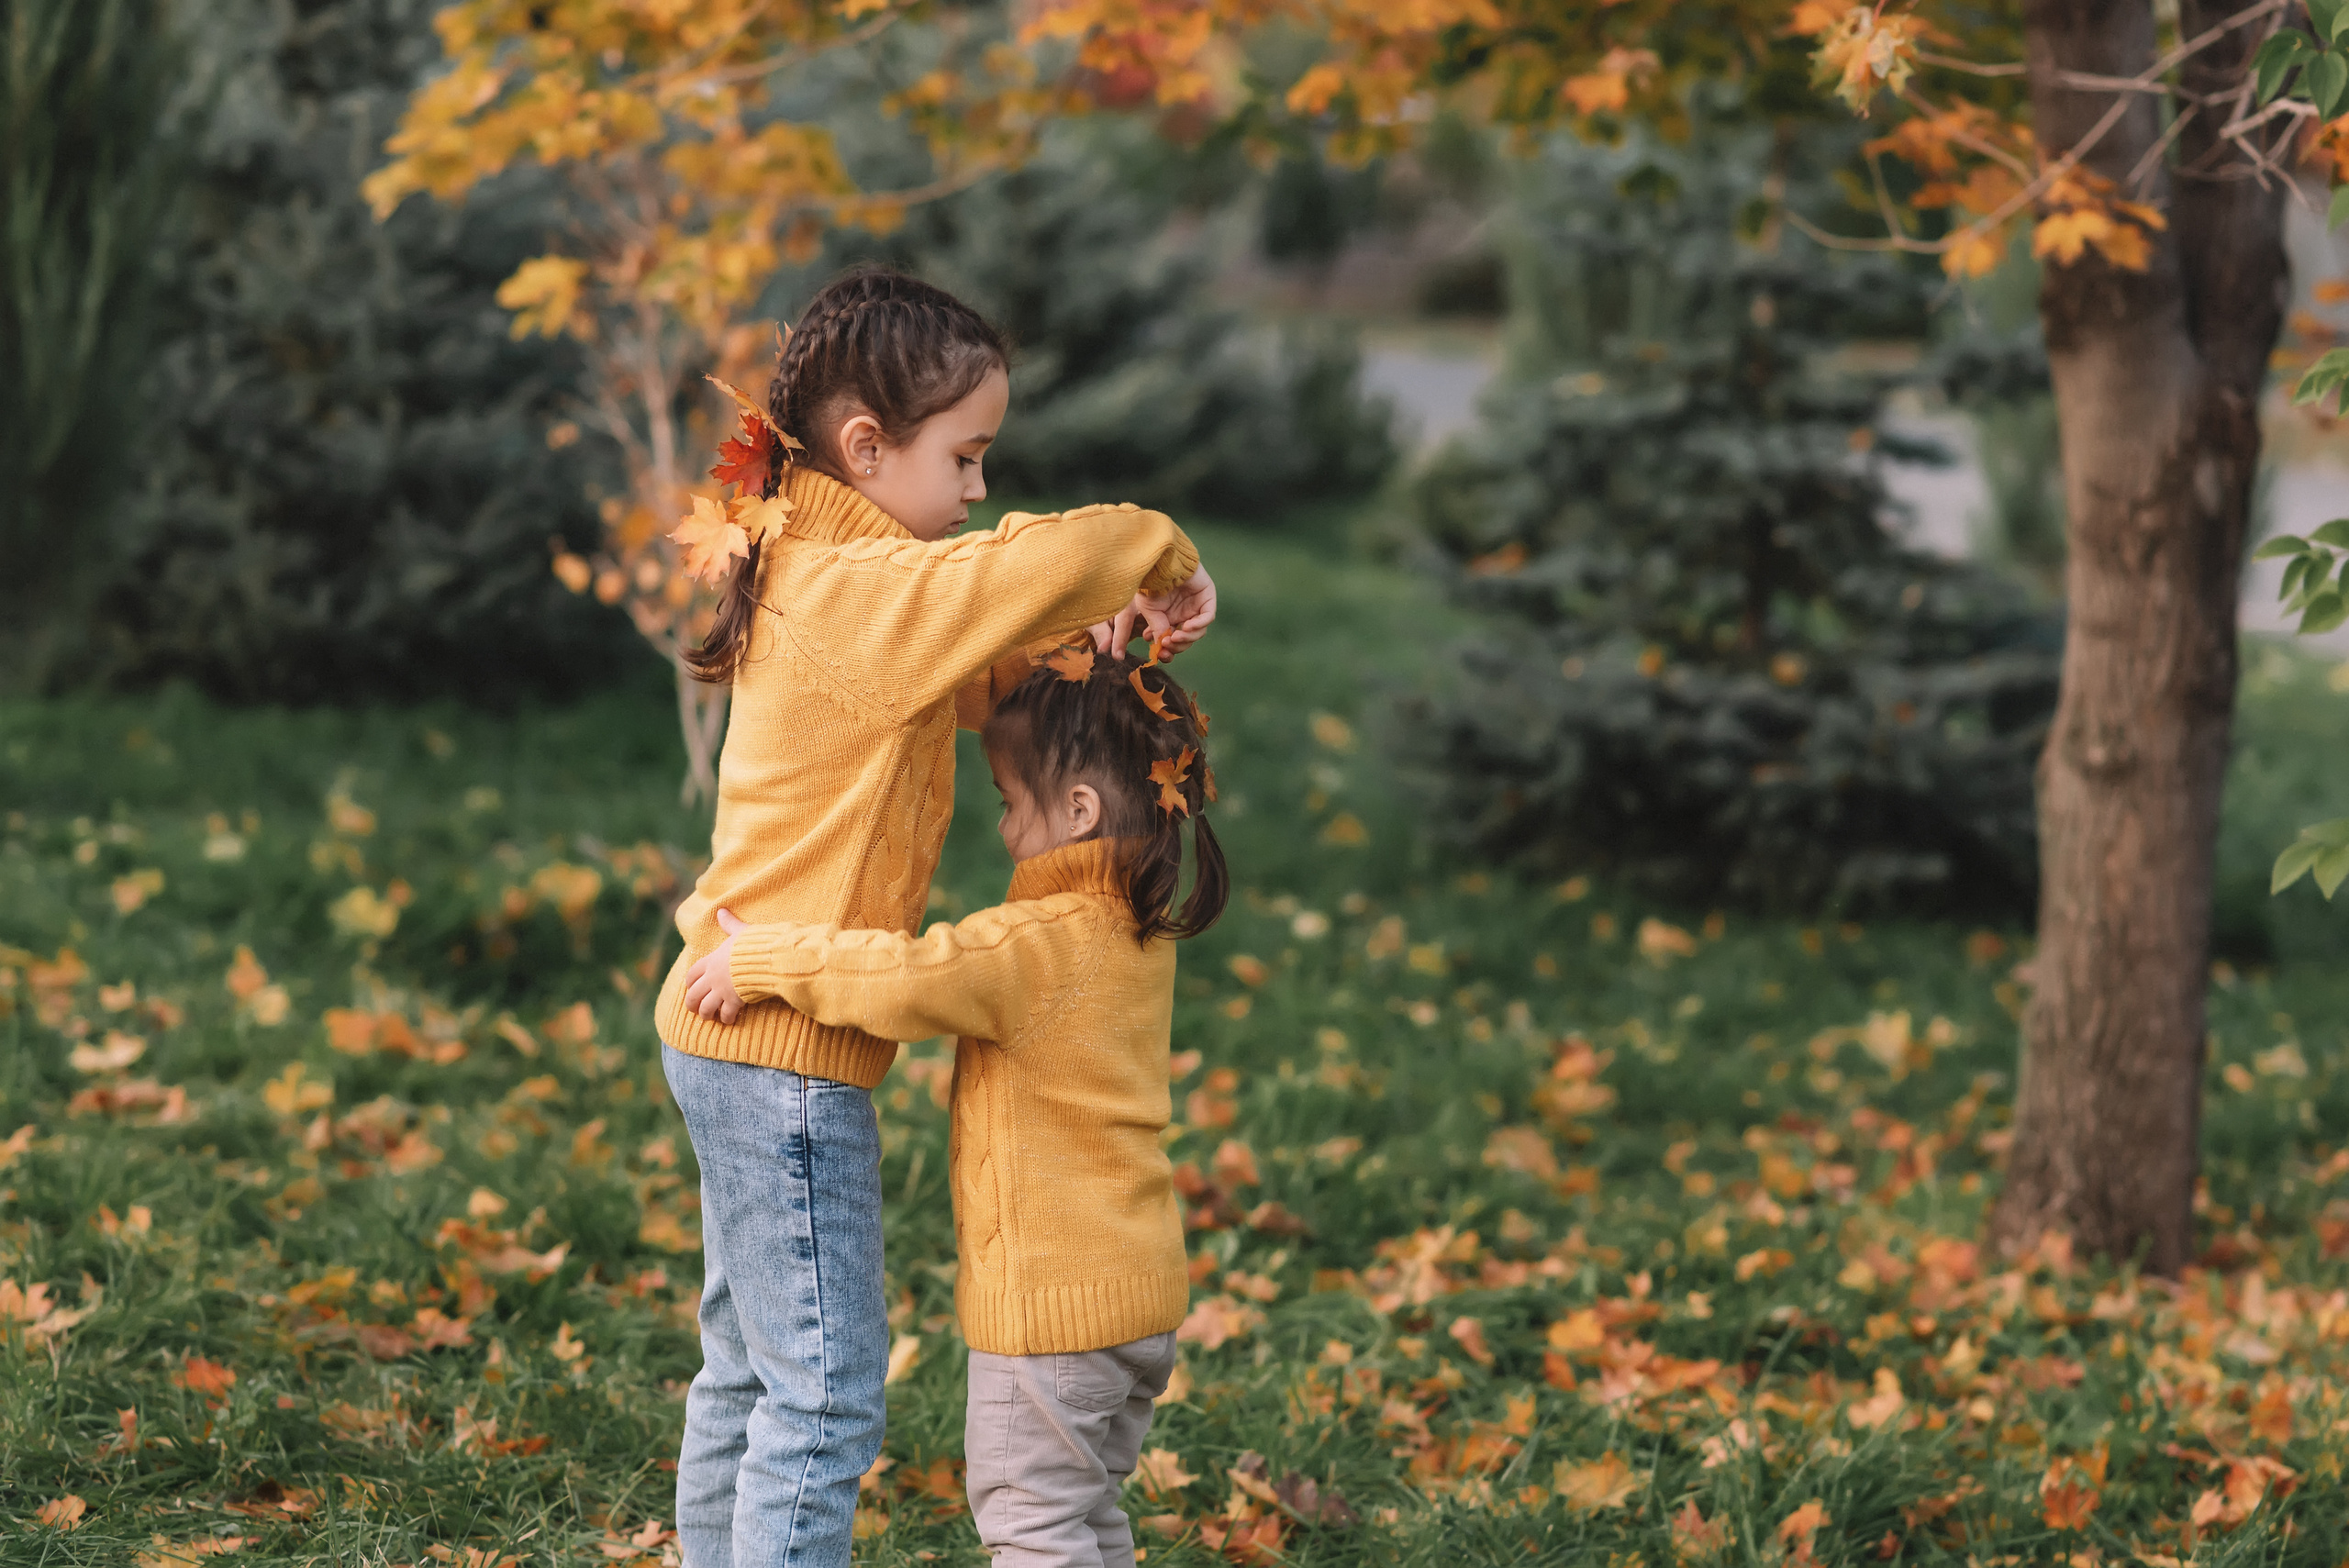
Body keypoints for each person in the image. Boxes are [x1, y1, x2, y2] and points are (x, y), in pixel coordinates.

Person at [656, 268, 1216, 1568]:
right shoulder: (860, 597)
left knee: (749, 1369)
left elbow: (996, 679)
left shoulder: (832, 579)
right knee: (824, 1396)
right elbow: (1054, 554)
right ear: (868, 447)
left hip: (734, 1025)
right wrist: (1164, 551)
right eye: (964, 457)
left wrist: (1109, 643)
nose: (976, 491)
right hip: (779, 1044)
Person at [684, 650, 1225, 1568]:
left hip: (1053, 1317)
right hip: (1138, 1304)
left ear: (1080, 812)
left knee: (1031, 1528)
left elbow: (906, 977)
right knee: (1085, 1515)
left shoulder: (1036, 942)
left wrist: (768, 958)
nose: (1007, 826)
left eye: (1012, 802)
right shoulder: (1134, 933)